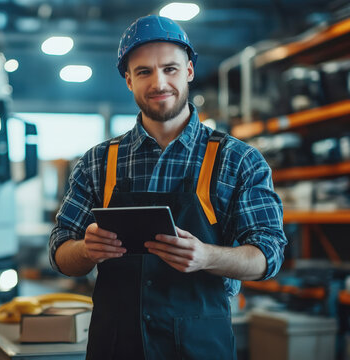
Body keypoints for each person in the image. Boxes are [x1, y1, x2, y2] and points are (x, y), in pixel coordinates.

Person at [48, 15, 287, 360]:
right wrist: (86, 249)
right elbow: (59, 251)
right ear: (128, 80)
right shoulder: (97, 162)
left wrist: (207, 256)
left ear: (189, 71)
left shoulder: (238, 160)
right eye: (144, 72)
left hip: (199, 348)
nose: (159, 82)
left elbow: (269, 254)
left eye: (170, 69)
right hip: (116, 346)